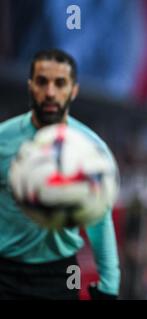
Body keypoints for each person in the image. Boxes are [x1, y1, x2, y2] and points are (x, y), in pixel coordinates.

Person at [0, 49, 120, 300]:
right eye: (42, 82)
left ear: (73, 90)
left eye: (60, 83)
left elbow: (100, 219)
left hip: (60, 274)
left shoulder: (91, 149)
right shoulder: (3, 139)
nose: (50, 92)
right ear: (30, 86)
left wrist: (109, 285)